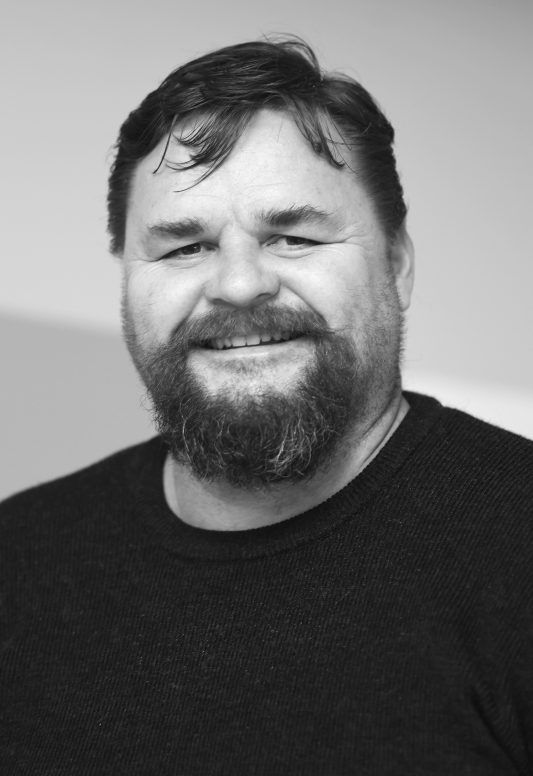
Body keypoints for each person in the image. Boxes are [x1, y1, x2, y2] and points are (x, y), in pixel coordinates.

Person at [1, 38, 532, 775]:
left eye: (292, 235)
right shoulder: (17, 561)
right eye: (183, 248)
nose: (240, 286)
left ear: (397, 265)